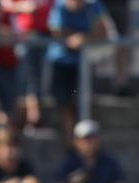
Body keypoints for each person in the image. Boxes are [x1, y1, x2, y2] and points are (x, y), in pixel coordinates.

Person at [46, 0, 107, 142]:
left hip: (84, 63)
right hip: (62, 62)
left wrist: (84, 38)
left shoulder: (93, 5)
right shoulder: (59, 6)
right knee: (65, 104)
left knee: (85, 101)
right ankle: (71, 142)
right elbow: (56, 30)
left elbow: (103, 31)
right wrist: (75, 37)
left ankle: (86, 142)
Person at [6, 0, 54, 129]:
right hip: (23, 37)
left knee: (38, 79)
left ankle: (34, 116)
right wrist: (22, 7)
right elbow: (3, 5)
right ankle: (23, 117)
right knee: (25, 78)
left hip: (46, 37)